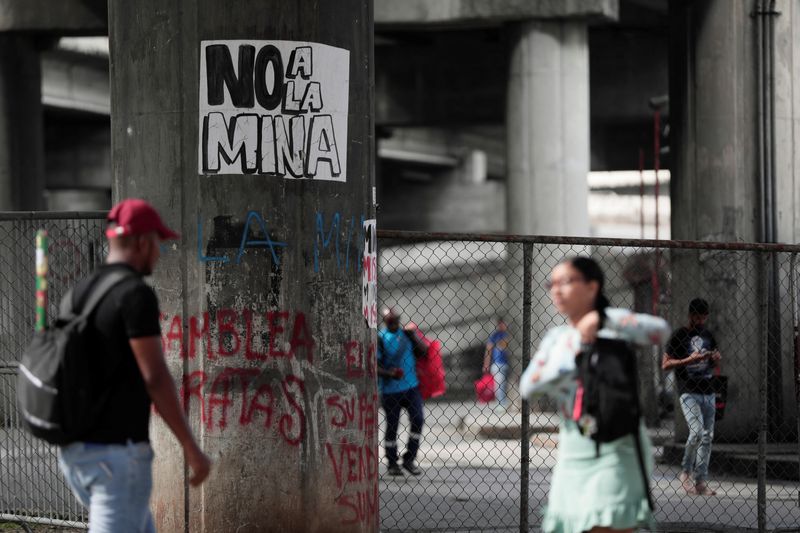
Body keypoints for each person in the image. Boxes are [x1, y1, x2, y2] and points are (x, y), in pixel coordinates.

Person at [57, 199, 212, 532]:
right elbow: (154, 377)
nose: (159, 252)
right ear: (142, 242)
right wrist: (191, 447)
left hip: (76, 453)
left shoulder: (79, 292)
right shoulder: (134, 295)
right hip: (116, 457)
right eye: (158, 243)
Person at [520, 256, 670, 533]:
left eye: (565, 282)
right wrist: (576, 347)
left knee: (609, 524)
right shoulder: (557, 338)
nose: (556, 290)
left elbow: (659, 331)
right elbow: (529, 386)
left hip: (618, 447)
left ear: (592, 287)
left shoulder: (615, 325)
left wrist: (602, 320)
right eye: (551, 284)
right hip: (574, 450)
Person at [662, 298, 721, 496]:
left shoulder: (708, 335)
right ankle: (685, 472)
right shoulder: (679, 335)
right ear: (690, 315)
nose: (701, 321)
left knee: (708, 437)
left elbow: (712, 365)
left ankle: (701, 482)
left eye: (704, 317)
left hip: (708, 391)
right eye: (697, 317)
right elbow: (665, 364)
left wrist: (714, 359)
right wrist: (689, 359)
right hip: (688, 391)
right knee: (696, 432)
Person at [377, 307, 426, 476]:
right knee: (392, 426)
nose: (394, 323)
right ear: (385, 322)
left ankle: (409, 459)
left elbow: (423, 351)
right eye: (390, 321)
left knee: (418, 420)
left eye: (396, 320)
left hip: (411, 387)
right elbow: (374, 365)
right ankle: (392, 463)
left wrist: (414, 336)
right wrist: (390, 373)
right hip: (391, 390)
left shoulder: (407, 334)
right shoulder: (380, 338)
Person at [483, 319, 510, 407]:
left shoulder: (506, 335)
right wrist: (486, 364)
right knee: (499, 385)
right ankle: (501, 404)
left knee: (503, 384)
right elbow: (489, 350)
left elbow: (505, 346)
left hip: (505, 364)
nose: (504, 326)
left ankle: (502, 403)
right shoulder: (495, 335)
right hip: (497, 364)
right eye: (502, 324)